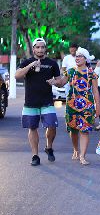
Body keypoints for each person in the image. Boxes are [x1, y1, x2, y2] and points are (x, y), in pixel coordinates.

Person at [49, 47, 100, 165]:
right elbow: (61, 83)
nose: (77, 58)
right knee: (73, 130)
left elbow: (96, 91)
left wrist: (97, 107)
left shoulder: (91, 73)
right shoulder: (70, 71)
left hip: (87, 106)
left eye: (80, 56)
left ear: (86, 59)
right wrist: (54, 81)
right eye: (76, 56)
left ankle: (82, 156)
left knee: (84, 130)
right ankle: (76, 149)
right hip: (71, 105)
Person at [15, 38, 60, 166]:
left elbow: (60, 81)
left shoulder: (52, 63)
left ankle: (49, 147)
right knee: (32, 127)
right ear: (33, 49)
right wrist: (31, 66)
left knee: (52, 125)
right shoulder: (27, 62)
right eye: (38, 47)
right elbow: (17, 75)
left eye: (42, 47)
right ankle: (35, 155)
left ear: (45, 48)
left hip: (47, 101)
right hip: (30, 102)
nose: (40, 50)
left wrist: (55, 82)